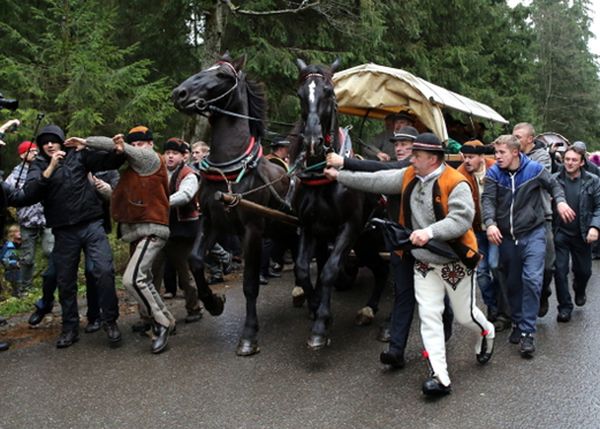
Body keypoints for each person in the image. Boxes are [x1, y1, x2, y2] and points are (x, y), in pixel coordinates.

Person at [325, 132, 495, 396]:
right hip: (424, 263)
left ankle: (486, 332)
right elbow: (377, 179)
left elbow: (461, 219)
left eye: (417, 155)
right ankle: (440, 377)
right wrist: (340, 176)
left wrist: (429, 232)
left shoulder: (456, 182)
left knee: (465, 316)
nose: (410, 159)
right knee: (429, 317)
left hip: (453, 262)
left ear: (433, 158)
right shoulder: (408, 176)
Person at [65, 126, 176, 354]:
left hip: (152, 229)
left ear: (150, 144)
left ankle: (161, 324)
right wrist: (102, 188)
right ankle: (166, 318)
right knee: (142, 278)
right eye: (134, 144)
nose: (137, 149)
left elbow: (120, 149)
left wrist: (87, 142)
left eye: (141, 144)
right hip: (140, 231)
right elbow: (119, 198)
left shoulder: (151, 159)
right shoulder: (132, 174)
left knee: (131, 280)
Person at [9, 124, 121, 348]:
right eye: (45, 142)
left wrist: (114, 147)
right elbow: (30, 193)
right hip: (63, 230)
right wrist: (50, 167)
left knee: (104, 271)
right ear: (41, 146)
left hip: (91, 224)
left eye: (54, 140)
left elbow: (110, 162)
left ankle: (110, 321)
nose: (50, 144)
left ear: (61, 141)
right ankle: (70, 328)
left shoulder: (78, 155)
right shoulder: (39, 164)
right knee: (65, 281)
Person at [482, 134, 574, 358]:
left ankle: (527, 333)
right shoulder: (494, 173)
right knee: (513, 284)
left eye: (501, 152)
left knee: (532, 279)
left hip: (533, 233)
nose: (497, 157)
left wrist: (560, 202)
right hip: (505, 237)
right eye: (496, 152)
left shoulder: (533, 169)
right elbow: (488, 200)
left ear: (515, 152)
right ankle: (517, 321)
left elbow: (554, 186)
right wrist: (490, 223)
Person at [456, 140, 508, 327]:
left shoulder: (496, 169)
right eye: (464, 156)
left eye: (470, 157)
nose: (466, 160)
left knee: (495, 265)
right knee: (482, 273)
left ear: (481, 157)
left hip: (495, 228)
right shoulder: (460, 174)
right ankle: (492, 306)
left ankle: (504, 308)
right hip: (476, 230)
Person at [152, 137, 202, 323]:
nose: (170, 156)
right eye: (167, 153)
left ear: (183, 156)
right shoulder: (158, 173)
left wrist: (158, 203)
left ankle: (194, 307)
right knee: (153, 272)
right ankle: (152, 315)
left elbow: (186, 195)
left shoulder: (190, 174)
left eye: (174, 153)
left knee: (185, 274)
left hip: (182, 233)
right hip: (160, 229)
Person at [551, 143, 600, 322]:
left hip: (583, 234)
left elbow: (599, 206)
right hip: (560, 233)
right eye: (567, 159)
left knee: (584, 271)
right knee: (560, 271)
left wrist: (595, 227)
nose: (570, 163)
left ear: (581, 162)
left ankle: (580, 289)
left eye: (574, 160)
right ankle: (564, 306)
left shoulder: (593, 180)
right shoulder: (554, 180)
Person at [512, 123, 554, 317]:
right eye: (513, 136)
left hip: (542, 217)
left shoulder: (542, 157)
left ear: (530, 139)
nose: (515, 140)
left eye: (518, 137)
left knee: (546, 264)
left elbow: (530, 179)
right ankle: (518, 314)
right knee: (517, 268)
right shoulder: (511, 156)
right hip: (517, 219)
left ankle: (544, 292)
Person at [4, 141, 54, 296]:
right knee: (28, 258)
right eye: (30, 151)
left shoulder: (44, 167)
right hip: (27, 220)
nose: (35, 153)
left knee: (50, 251)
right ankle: (26, 288)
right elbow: (6, 195)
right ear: (22, 155)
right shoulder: (15, 175)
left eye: (35, 151)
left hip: (47, 218)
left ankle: (54, 282)